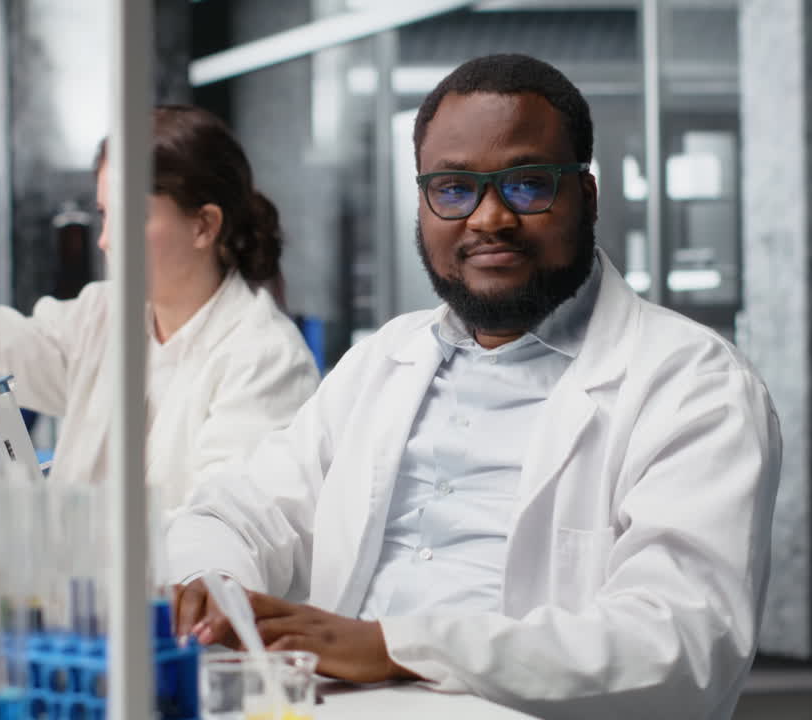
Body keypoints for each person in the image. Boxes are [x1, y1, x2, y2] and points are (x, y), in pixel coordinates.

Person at [167, 54, 781, 720]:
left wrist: (395, 646)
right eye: (454, 189)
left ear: (588, 196)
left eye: (527, 184)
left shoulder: (694, 383)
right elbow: (235, 511)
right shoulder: (384, 361)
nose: (489, 218)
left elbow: (680, 641)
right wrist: (216, 586)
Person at [0, 105, 320, 507]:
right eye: (105, 214)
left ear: (204, 226)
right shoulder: (103, 315)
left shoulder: (265, 359)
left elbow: (221, 534)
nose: (105, 241)